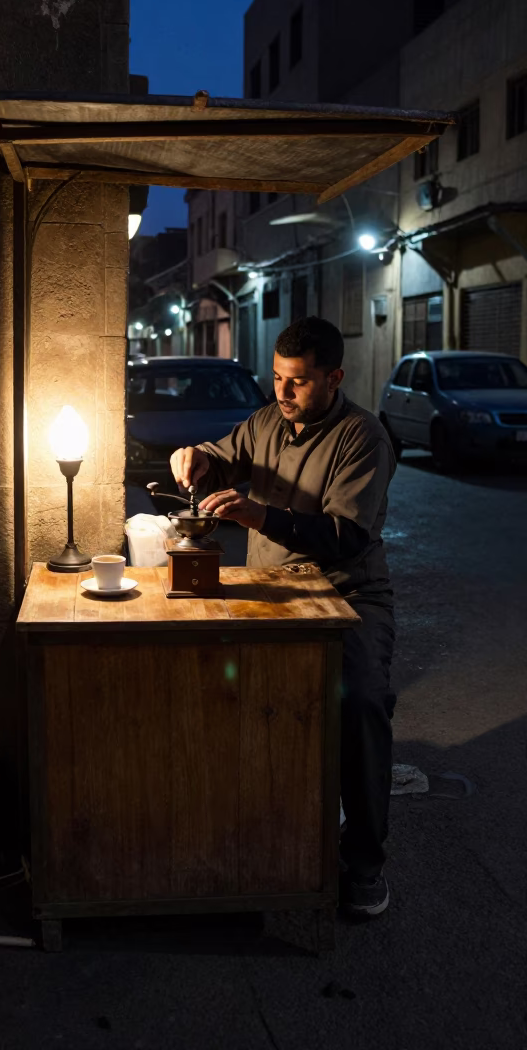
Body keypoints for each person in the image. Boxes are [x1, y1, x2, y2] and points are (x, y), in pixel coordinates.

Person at [170, 316, 396, 917]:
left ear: (333, 377)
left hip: (347, 595)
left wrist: (256, 515)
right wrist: (194, 459)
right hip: (272, 586)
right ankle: (254, 839)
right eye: (276, 378)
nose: (282, 393)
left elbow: (346, 535)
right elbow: (224, 456)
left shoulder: (363, 438)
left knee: (362, 703)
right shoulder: (268, 420)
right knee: (235, 694)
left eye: (297, 383)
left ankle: (365, 861)